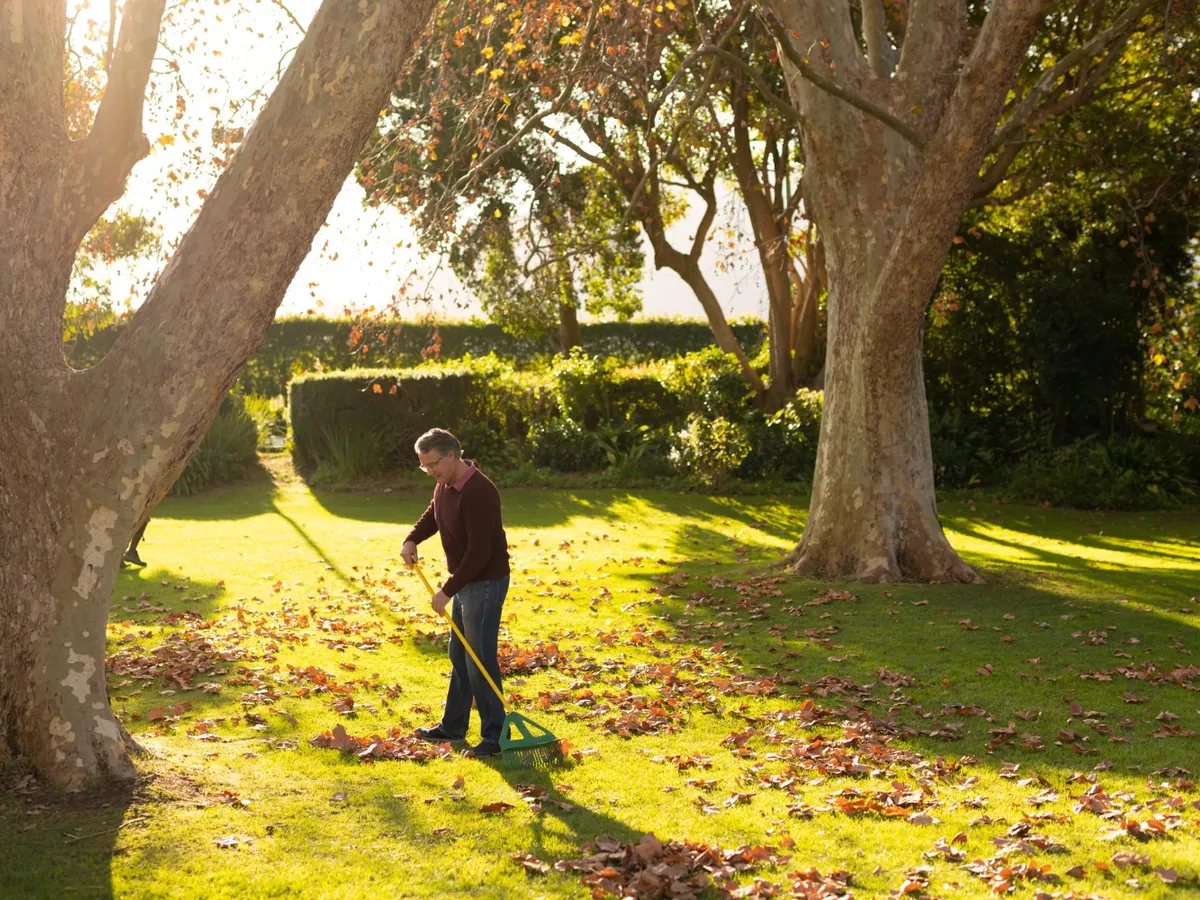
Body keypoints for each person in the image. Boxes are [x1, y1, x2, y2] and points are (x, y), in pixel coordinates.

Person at [402, 428, 510, 758]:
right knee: (460, 655)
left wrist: (447, 591)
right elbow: (433, 514)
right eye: (424, 466)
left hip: (485, 582)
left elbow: (479, 553)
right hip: (466, 581)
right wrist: (412, 538)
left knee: (479, 659)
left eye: (432, 464)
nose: (429, 471)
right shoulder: (445, 484)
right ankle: (453, 727)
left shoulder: (479, 492)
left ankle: (495, 736)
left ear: (452, 455)